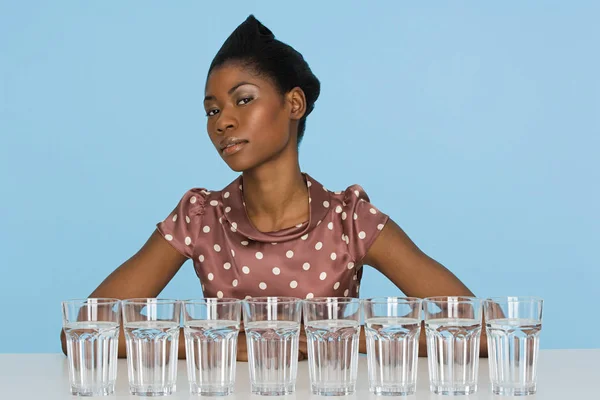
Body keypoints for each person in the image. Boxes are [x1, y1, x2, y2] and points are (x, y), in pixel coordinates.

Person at [61, 15, 486, 360]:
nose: (222, 122)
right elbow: (82, 332)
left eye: (243, 99)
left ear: (293, 104)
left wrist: (342, 338)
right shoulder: (200, 219)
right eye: (212, 110)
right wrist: (223, 343)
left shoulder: (349, 221)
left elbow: (484, 330)